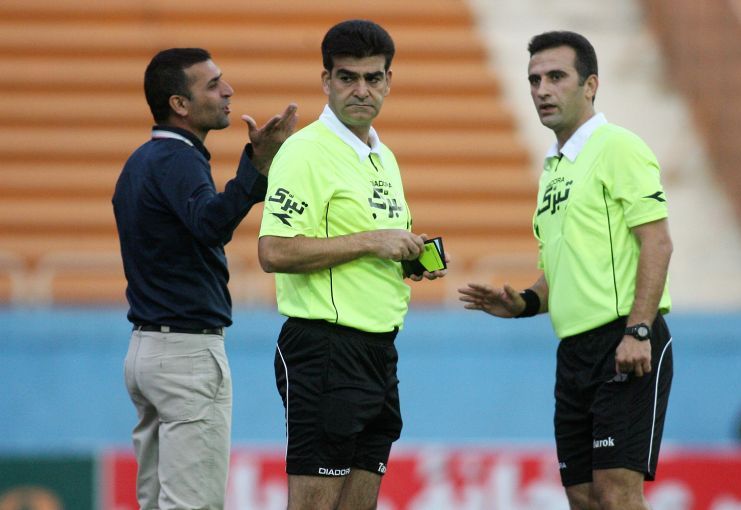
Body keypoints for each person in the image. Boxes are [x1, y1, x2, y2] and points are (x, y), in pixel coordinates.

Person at [458, 31, 674, 510]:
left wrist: (638, 330)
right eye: (534, 80)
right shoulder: (554, 170)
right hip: (574, 351)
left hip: (623, 339)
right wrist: (523, 303)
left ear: (590, 85)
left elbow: (657, 241)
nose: (542, 90)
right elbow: (559, 274)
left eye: (556, 77)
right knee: (582, 496)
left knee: (616, 492)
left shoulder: (618, 147)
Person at [258, 19, 447, 510]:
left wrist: (409, 259)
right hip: (325, 348)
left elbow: (376, 246)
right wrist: (371, 242)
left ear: (388, 81)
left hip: (379, 350)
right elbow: (273, 251)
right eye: (348, 77)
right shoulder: (305, 151)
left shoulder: (384, 158)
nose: (361, 89)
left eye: (372, 78)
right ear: (327, 81)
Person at [112, 47, 297, 509]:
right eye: (213, 84)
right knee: (193, 504)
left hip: (146, 347)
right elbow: (210, 223)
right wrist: (256, 165)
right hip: (185, 354)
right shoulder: (179, 159)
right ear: (180, 104)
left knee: (157, 501)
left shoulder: (140, 161)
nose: (227, 91)